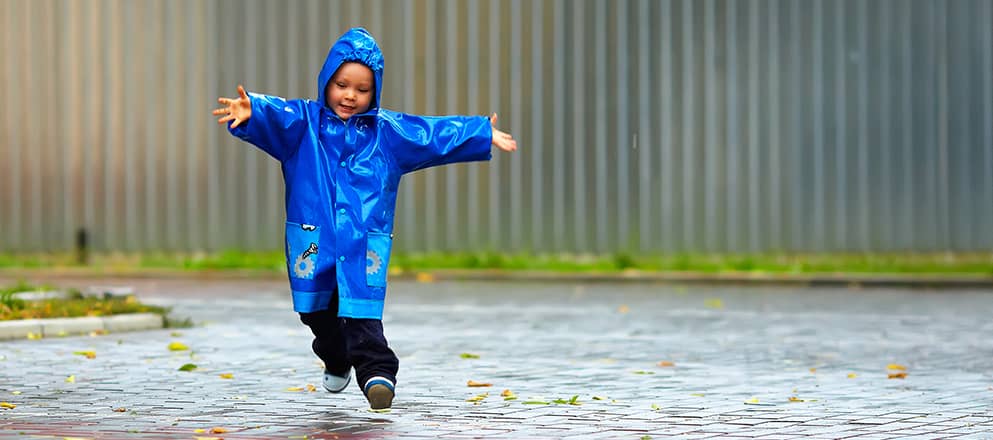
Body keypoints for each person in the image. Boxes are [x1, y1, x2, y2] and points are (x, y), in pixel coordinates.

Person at [211, 28, 517, 410]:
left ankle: (378, 375)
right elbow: (278, 115)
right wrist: (253, 111)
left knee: (361, 315)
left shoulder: (387, 134)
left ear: (375, 92)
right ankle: (336, 358)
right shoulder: (303, 126)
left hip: (362, 244)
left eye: (362, 89)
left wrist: (479, 132)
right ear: (327, 81)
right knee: (315, 313)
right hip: (313, 242)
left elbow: (430, 134)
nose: (350, 96)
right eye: (341, 85)